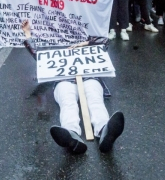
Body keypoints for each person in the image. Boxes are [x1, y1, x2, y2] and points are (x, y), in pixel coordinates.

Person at [21, 20, 125, 154]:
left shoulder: (86, 43)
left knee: (95, 99)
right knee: (68, 102)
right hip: (63, 81)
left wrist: (84, 44)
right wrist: (28, 33)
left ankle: (105, 130)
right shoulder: (54, 49)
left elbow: (104, 41)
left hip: (89, 77)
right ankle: (71, 134)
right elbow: (38, 55)